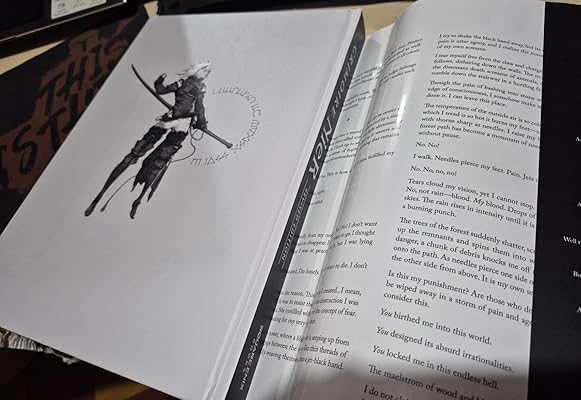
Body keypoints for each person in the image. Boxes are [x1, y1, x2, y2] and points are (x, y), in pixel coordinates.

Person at [84, 62, 212, 218]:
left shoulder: (188, 85)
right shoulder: (193, 86)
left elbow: (194, 106)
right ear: (198, 70)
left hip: (181, 124)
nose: (206, 74)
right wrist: (201, 123)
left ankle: (138, 200)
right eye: (205, 70)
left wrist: (200, 122)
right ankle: (102, 194)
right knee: (138, 154)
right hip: (175, 122)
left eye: (208, 72)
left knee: (159, 160)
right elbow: (167, 93)